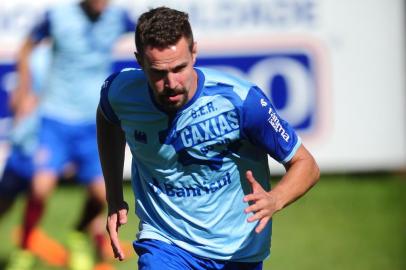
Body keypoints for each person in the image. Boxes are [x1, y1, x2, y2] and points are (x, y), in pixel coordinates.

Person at [97, 6, 320, 270]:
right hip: (165, 242)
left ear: (194, 53)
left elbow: (306, 164)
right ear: (139, 61)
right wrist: (113, 195)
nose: (171, 83)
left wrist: (275, 198)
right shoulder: (120, 92)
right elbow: (108, 120)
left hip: (236, 252)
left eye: (179, 68)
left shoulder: (240, 101)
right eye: (158, 72)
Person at [6, 0, 134, 269]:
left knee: (103, 194)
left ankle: (77, 234)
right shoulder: (58, 17)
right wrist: (24, 91)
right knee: (41, 187)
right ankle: (25, 247)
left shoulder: (118, 18)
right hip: (55, 117)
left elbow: (148, 41)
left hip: (94, 120)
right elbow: (26, 48)